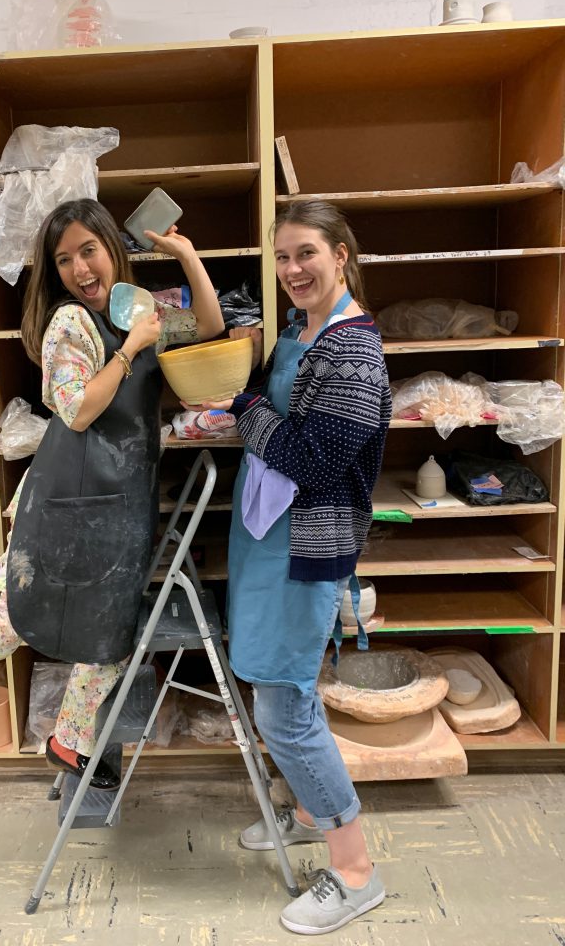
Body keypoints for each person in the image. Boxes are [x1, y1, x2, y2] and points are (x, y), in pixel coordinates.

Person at [0, 198, 223, 792]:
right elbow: (76, 410)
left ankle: (68, 739)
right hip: (62, 504)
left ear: (113, 250)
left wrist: (185, 256)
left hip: (120, 504)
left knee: (110, 634)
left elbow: (207, 327)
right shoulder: (69, 325)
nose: (81, 269)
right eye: (64, 259)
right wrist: (131, 349)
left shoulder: (138, 310)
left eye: (89, 250)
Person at [194, 200, 391, 936]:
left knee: (285, 707)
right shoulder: (303, 331)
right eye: (281, 257)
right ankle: (308, 811)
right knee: (274, 682)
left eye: (305, 253)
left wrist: (243, 406)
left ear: (341, 253)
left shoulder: (353, 351)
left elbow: (312, 459)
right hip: (266, 533)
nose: (292, 270)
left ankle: (355, 871)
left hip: (306, 542)